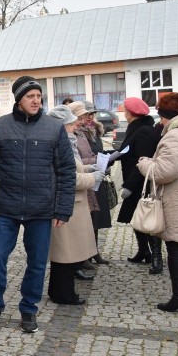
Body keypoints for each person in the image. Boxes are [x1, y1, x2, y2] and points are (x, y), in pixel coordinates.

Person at [0, 76, 76, 334]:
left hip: (41, 208)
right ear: (19, 100)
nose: (36, 101)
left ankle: (29, 309)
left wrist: (63, 208)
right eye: (30, 96)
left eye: (38, 96)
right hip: (6, 208)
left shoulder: (54, 128)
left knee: (36, 262)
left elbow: (66, 171)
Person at [137, 93, 178, 314]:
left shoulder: (176, 136)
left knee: (176, 248)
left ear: (166, 115)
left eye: (161, 117)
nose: (160, 122)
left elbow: (165, 172)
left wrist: (145, 163)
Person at [45, 105, 102, 305]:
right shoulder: (61, 145)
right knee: (65, 254)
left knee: (67, 253)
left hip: (72, 204)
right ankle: (64, 294)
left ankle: (59, 291)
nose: (75, 125)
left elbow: (73, 169)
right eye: (71, 123)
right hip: (68, 204)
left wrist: (88, 168)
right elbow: (68, 178)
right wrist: (92, 177)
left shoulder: (67, 142)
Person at [115, 97, 162, 272]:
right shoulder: (136, 129)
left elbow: (142, 160)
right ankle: (144, 251)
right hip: (136, 183)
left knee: (148, 219)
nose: (124, 114)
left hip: (142, 184)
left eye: (125, 111)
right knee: (136, 219)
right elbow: (129, 151)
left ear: (131, 113)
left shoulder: (143, 131)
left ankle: (157, 257)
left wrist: (129, 185)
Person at [72, 101, 112, 265]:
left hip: (95, 178)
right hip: (86, 178)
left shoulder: (93, 131)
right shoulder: (76, 133)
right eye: (85, 115)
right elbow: (79, 160)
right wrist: (97, 161)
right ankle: (84, 256)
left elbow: (96, 151)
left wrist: (105, 159)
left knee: (95, 218)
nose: (89, 118)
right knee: (85, 220)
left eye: (90, 114)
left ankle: (93, 252)